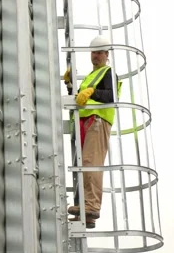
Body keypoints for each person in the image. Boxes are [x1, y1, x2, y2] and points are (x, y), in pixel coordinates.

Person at [63, 35, 121, 229]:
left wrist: (91, 92)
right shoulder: (91, 76)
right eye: (93, 52)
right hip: (85, 122)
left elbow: (110, 95)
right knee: (82, 164)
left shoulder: (108, 72)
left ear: (107, 55)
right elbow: (80, 99)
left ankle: (91, 205)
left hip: (98, 121)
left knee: (90, 163)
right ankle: (86, 212)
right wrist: (70, 85)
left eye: (99, 53)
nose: (95, 56)